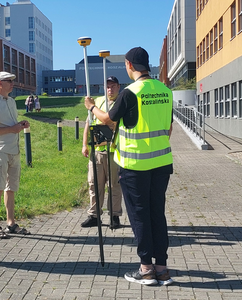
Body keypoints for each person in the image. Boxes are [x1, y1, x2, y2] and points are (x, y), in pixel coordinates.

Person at [84, 47, 174, 286]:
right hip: (162, 163)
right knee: (158, 214)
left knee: (139, 216)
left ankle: (146, 269)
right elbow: (169, 127)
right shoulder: (165, 91)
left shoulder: (129, 93)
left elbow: (108, 120)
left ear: (130, 66)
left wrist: (91, 107)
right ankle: (162, 269)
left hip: (135, 165)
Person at [0, 71, 31, 239]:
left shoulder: (11, 101)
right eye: (9, 81)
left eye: (13, 80)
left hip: (14, 150)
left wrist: (20, 125)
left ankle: (11, 223)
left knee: (11, 188)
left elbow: (10, 124)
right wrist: (12, 129)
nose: (13, 83)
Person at [81, 76, 123, 230]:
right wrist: (84, 144)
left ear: (119, 87)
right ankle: (94, 215)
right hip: (97, 151)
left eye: (113, 86)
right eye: (108, 87)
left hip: (113, 151)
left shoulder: (120, 102)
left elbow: (109, 121)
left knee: (114, 185)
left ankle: (114, 215)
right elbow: (89, 123)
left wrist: (92, 107)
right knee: (94, 184)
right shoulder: (98, 102)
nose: (110, 89)